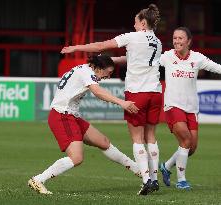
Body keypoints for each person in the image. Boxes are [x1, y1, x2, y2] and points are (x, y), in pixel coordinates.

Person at [61, 4, 162, 195]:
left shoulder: (132, 37)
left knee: (137, 139)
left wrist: (75, 47)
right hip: (155, 92)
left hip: (137, 92)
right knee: (151, 136)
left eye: (135, 22)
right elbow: (132, 59)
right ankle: (155, 178)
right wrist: (111, 60)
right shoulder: (157, 42)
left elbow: (101, 46)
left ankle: (147, 179)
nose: (133, 25)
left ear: (142, 23)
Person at [28, 54, 141, 195]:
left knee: (104, 142)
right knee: (76, 158)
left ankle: (138, 170)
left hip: (71, 116)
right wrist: (122, 102)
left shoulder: (86, 68)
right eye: (109, 72)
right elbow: (98, 91)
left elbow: (107, 60)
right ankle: (38, 180)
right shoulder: (87, 73)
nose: (109, 76)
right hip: (62, 116)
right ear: (100, 68)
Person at [159, 27, 221, 190]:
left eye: (180, 38)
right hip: (173, 105)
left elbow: (217, 68)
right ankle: (181, 180)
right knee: (186, 140)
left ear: (189, 41)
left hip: (191, 108)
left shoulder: (197, 58)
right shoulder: (166, 57)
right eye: (174, 38)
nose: (177, 41)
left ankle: (166, 165)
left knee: (191, 148)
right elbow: (147, 63)